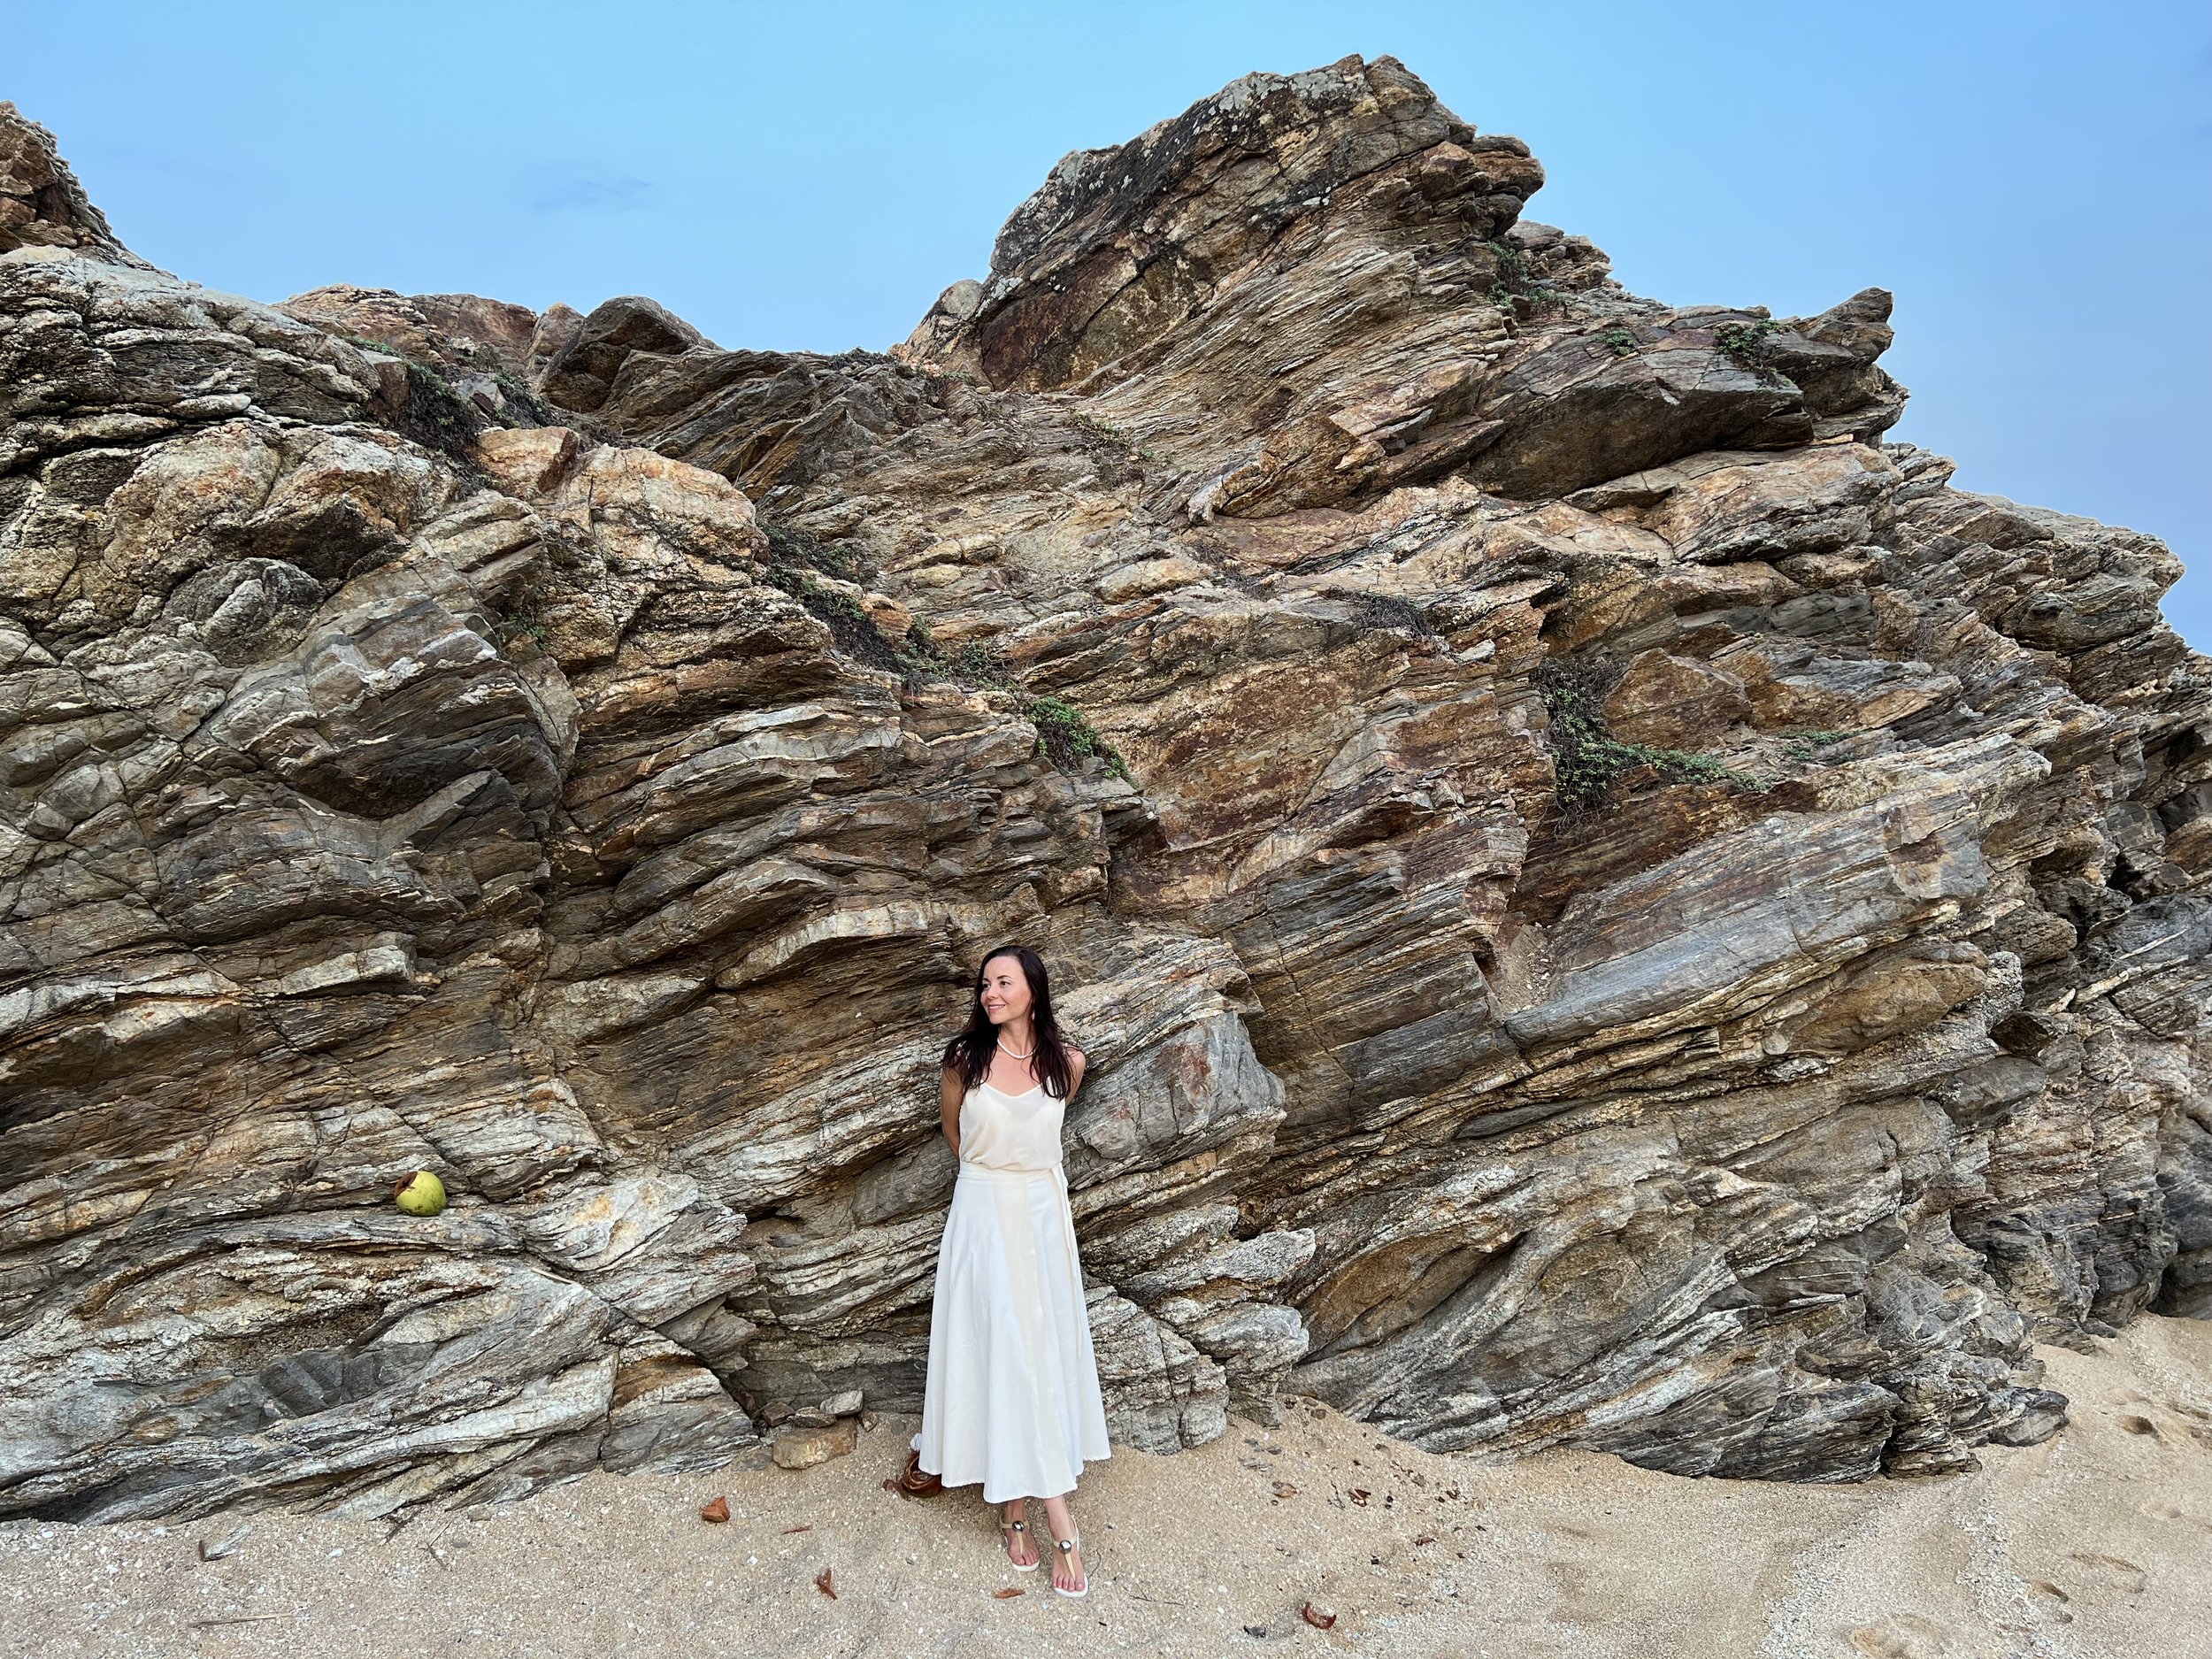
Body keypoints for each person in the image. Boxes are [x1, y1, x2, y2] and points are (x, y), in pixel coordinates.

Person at [907, 943, 1111, 1597]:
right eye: (984, 984)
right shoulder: (964, 1060)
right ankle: (1059, 1522)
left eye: (1003, 981)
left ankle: (1015, 1510)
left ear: (1033, 989)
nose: (990, 993)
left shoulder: (1067, 1062)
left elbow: (1045, 1138)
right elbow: (955, 1136)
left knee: (1037, 1353)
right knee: (1005, 1350)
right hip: (983, 1215)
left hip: (1044, 1219)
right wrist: (990, 1182)